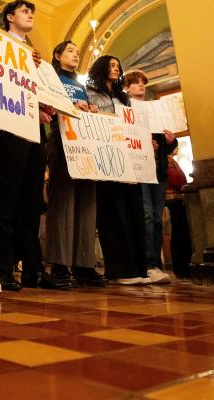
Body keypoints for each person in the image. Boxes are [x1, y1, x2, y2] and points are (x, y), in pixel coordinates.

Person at [0, 0, 71, 291]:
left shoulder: (37, 60)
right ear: (9, 17)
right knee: (4, 199)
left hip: (35, 130)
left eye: (31, 11)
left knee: (30, 202)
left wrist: (47, 105)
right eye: (23, 11)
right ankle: (2, 268)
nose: (30, 14)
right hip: (8, 126)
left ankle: (34, 269)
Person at [44, 40, 106, 287]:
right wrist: (69, 106)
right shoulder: (51, 78)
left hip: (86, 143)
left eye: (78, 52)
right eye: (70, 51)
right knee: (64, 200)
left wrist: (90, 109)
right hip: (61, 141)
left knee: (87, 201)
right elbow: (47, 105)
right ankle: (60, 264)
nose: (75, 55)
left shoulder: (80, 84)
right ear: (57, 55)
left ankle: (84, 264)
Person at [86, 55, 149, 285]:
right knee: (113, 212)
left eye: (117, 66)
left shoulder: (123, 96)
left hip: (130, 158)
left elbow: (132, 124)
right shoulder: (90, 92)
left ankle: (139, 268)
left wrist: (144, 139)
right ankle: (119, 269)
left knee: (133, 211)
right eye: (111, 65)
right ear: (101, 68)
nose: (116, 68)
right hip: (108, 157)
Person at [124, 69, 176, 284]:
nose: (140, 86)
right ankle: (147, 262)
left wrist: (171, 140)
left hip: (158, 171)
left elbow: (169, 146)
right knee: (146, 215)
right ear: (127, 88)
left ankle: (155, 262)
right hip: (139, 169)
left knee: (156, 217)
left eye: (143, 83)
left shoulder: (157, 110)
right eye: (135, 83)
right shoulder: (126, 109)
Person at [164, 148, 192, 277]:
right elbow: (176, 179)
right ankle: (181, 268)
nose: (177, 148)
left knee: (178, 233)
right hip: (174, 199)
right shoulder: (168, 161)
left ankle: (181, 267)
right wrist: (184, 185)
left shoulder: (170, 160)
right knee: (179, 233)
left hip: (173, 199)